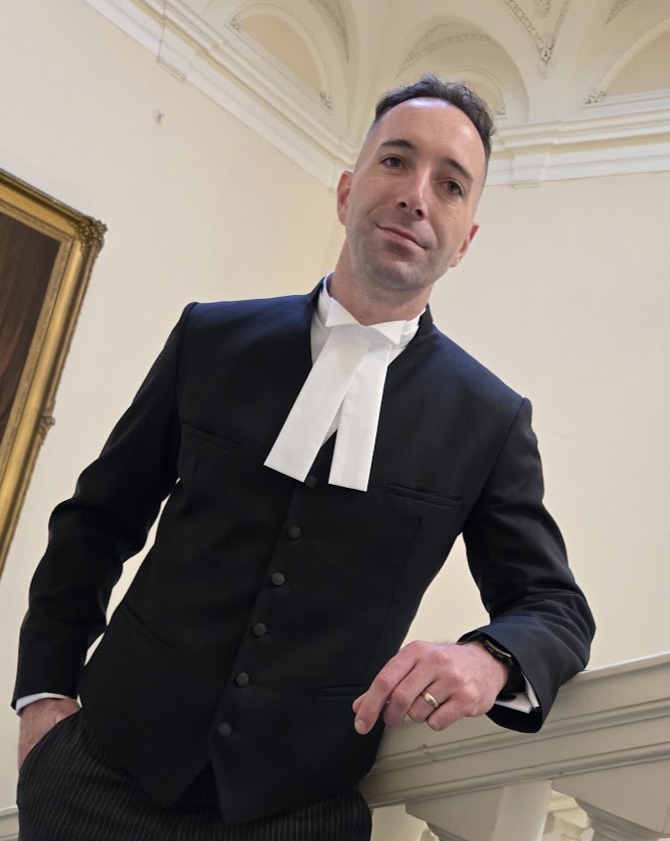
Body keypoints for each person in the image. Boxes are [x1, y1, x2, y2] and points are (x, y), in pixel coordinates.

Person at [13, 74, 595, 841]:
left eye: (450, 184)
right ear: (348, 190)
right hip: (101, 776)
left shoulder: (489, 418)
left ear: (466, 240)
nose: (416, 196)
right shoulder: (210, 338)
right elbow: (96, 521)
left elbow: (556, 608)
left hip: (298, 811)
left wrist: (490, 658)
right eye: (396, 161)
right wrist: (43, 692)